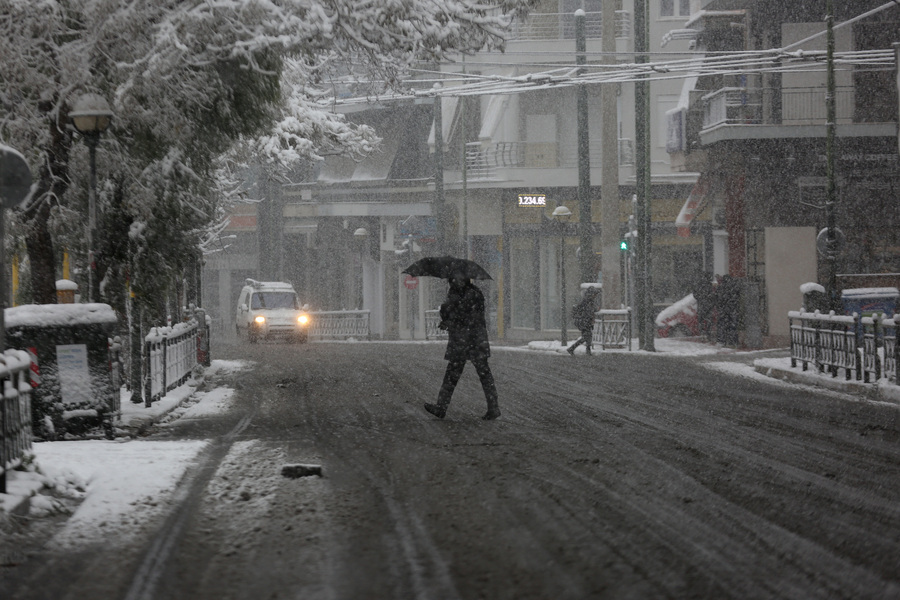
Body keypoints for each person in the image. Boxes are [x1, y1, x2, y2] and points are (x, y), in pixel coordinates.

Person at [424, 272, 500, 420]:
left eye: (459, 278)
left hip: (472, 339)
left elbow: (467, 316)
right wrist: (446, 314)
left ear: (465, 279)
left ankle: (493, 407)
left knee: (482, 374)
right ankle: (441, 407)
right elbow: (451, 313)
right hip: (463, 339)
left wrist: (451, 317)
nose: (456, 281)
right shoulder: (455, 293)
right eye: (453, 278)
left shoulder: (473, 294)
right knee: (453, 374)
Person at [567, 287, 600, 355]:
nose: (595, 296)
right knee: (586, 336)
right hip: (584, 322)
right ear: (591, 294)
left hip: (585, 321)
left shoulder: (587, 300)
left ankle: (587, 350)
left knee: (588, 336)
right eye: (595, 294)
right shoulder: (588, 301)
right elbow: (589, 311)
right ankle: (572, 348)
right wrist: (595, 310)